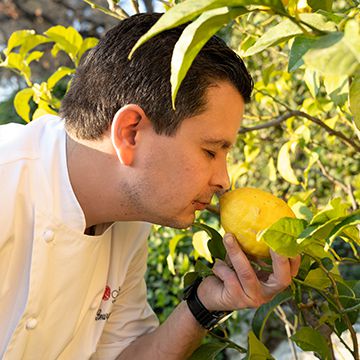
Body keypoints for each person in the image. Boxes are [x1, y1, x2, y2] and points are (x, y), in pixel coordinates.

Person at [0, 13, 300, 360]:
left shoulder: (129, 224)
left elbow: (123, 354)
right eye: (210, 151)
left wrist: (205, 304)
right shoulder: (7, 181)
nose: (224, 181)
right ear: (130, 132)